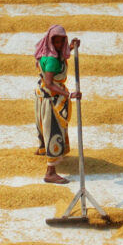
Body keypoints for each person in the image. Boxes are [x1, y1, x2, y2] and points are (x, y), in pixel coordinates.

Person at [33, 25, 81, 184]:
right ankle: (50, 172)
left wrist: (72, 47)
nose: (60, 45)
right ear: (51, 40)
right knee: (54, 130)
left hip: (42, 96)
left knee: (44, 126)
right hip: (52, 99)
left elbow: (62, 54)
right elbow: (49, 83)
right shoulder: (53, 60)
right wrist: (69, 94)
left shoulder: (45, 51)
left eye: (62, 42)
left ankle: (42, 149)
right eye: (57, 42)